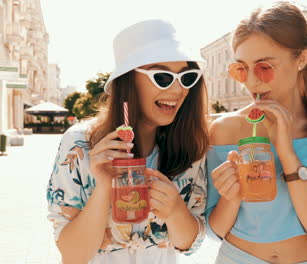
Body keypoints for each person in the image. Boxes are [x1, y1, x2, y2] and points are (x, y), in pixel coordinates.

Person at [46, 19, 209, 264]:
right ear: (129, 79)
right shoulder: (80, 143)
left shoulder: (189, 146)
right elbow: (72, 256)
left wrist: (175, 210)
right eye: (162, 77)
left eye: (187, 78)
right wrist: (103, 188)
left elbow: (187, 245)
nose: (178, 90)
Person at [206, 2, 307, 264]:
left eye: (264, 67)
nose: (251, 82)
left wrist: (287, 154)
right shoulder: (225, 130)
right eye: (241, 69)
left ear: (302, 59)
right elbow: (214, 231)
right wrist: (231, 197)